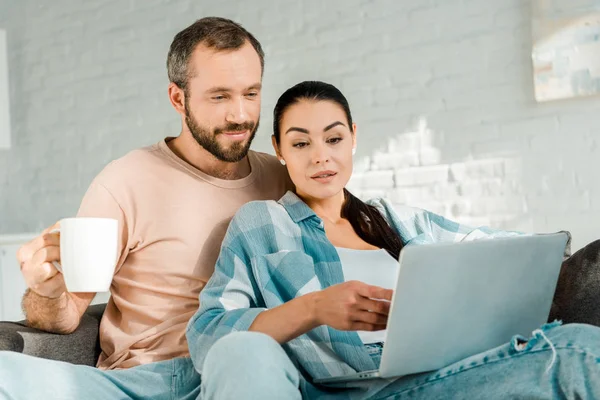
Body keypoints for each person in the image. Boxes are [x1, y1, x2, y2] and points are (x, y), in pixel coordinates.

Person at [187, 80, 600, 399]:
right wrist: (313, 308)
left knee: (579, 339)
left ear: (353, 136)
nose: (320, 157)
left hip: (439, 380)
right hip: (347, 389)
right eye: (300, 143)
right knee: (580, 355)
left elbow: (513, 252)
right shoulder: (263, 224)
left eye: (333, 139)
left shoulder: (399, 220)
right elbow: (209, 336)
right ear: (278, 148)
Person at [0, 17, 291, 399]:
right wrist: (47, 292)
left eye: (250, 94)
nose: (239, 114)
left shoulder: (282, 178)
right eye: (219, 97)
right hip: (145, 381)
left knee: (250, 353)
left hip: (243, 369)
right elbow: (68, 313)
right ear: (178, 98)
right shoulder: (125, 181)